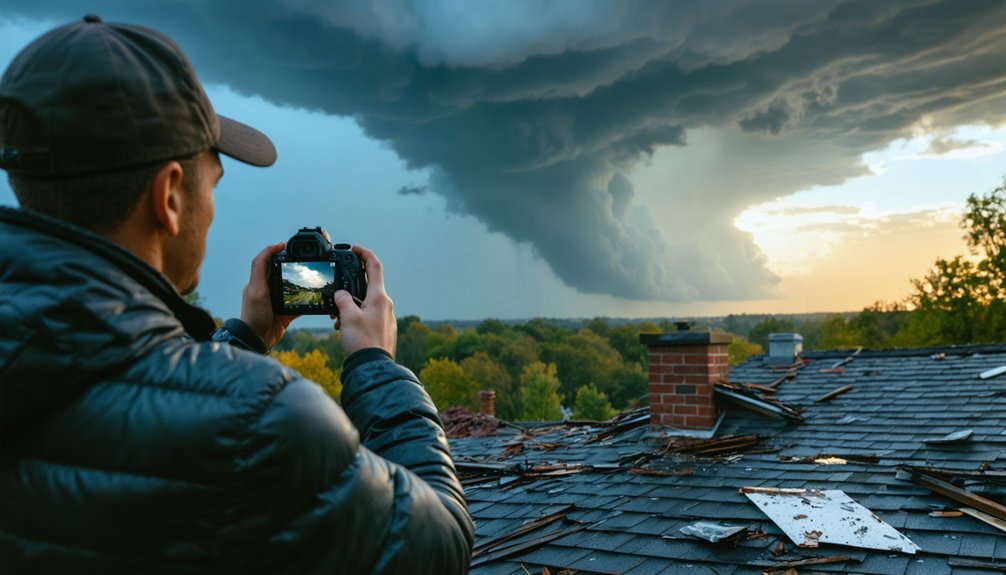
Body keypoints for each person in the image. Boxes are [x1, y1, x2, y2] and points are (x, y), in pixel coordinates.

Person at [0, 15, 473, 574]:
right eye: (215, 184)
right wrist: (375, 367)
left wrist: (242, 340)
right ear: (170, 197)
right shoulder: (262, 419)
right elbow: (440, 546)